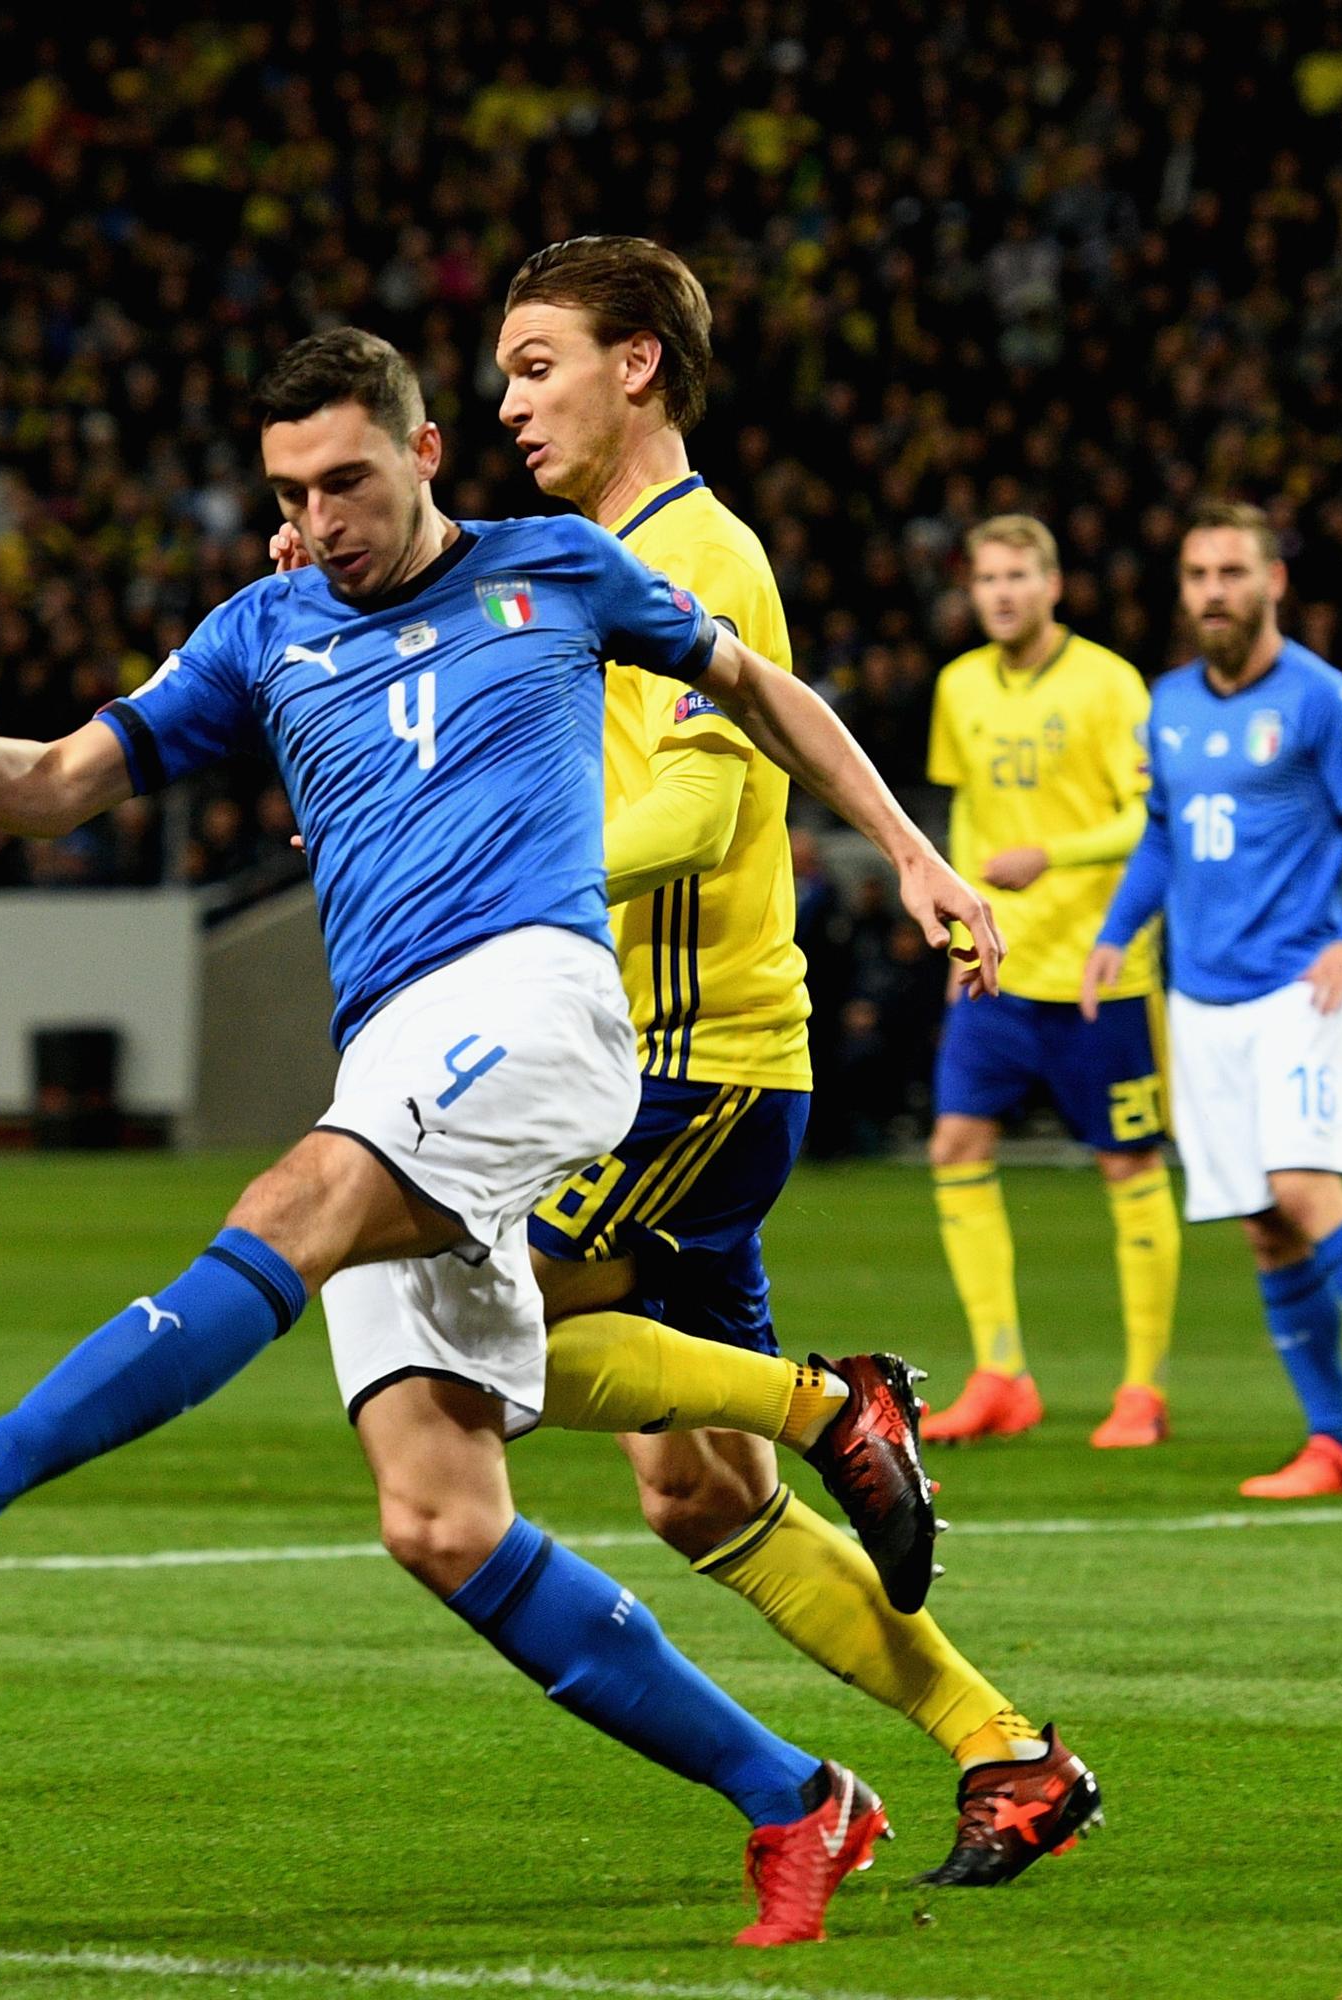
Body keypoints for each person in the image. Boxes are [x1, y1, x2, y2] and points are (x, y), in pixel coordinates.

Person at [0, 327, 1005, 1945]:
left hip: (542, 1003)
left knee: (302, 1197)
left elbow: (759, 688)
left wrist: (911, 854)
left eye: (348, 479)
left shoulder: (558, 569)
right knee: (439, 1520)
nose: (320, 516)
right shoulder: (256, 631)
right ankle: (797, 1798)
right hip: (398, 1050)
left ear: (426, 457)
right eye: (290, 489)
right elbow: (65, 783)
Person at [482, 240, 1098, 1887]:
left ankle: (841, 1402)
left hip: (689, 1064)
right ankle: (1011, 1755)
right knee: (697, 1498)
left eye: (537, 364)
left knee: (492, 1342)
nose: (506, 399)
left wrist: (522, 881)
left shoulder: (705, 553)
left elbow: (704, 804)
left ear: (640, 366)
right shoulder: (591, 554)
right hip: (678, 1062)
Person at [1084, 500, 1342, 1498]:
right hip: (1200, 1001)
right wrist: (1116, 932)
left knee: (1303, 1185)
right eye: (1198, 574)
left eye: (1232, 572)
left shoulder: (1321, 701)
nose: (1214, 591)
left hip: (1299, 987)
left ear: (1273, 582)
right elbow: (1165, 834)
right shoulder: (1167, 702)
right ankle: (1332, 1441)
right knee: (1263, 1221)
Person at [915, 515, 1181, 1451]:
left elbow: (1152, 817)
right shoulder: (959, 688)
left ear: (1054, 586)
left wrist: (1054, 855)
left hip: (1101, 973)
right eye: (986, 577)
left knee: (1129, 1165)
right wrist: (961, 930)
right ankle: (999, 1373)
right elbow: (971, 818)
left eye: (1019, 576)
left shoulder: (1111, 685)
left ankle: (1142, 1388)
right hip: (1001, 967)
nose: (1001, 593)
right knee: (955, 1144)